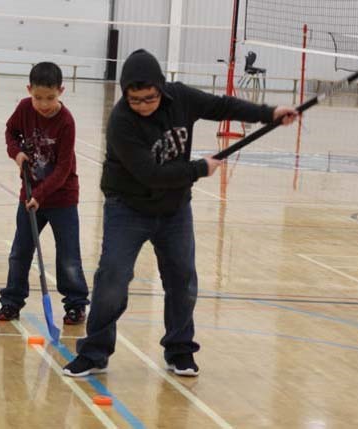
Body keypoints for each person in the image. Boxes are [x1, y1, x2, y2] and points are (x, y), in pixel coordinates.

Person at [63, 49, 297, 377]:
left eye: (150, 98)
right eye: (135, 100)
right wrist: (199, 168)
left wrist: (269, 112)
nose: (143, 105)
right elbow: (150, 174)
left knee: (182, 279)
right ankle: (95, 353)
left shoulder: (182, 97)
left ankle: (180, 350)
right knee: (113, 278)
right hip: (128, 208)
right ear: (124, 95)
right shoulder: (120, 123)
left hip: (174, 209)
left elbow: (222, 106)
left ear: (162, 88)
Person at [0, 62, 89, 325]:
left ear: (61, 91)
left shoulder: (66, 122)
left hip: (62, 198)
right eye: (38, 97)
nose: (44, 103)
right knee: (20, 251)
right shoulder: (25, 108)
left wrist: (41, 194)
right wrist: (17, 153)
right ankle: (11, 302)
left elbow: (63, 169)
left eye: (50, 97)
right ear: (29, 90)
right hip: (29, 195)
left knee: (68, 254)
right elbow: (10, 132)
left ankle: (75, 304)